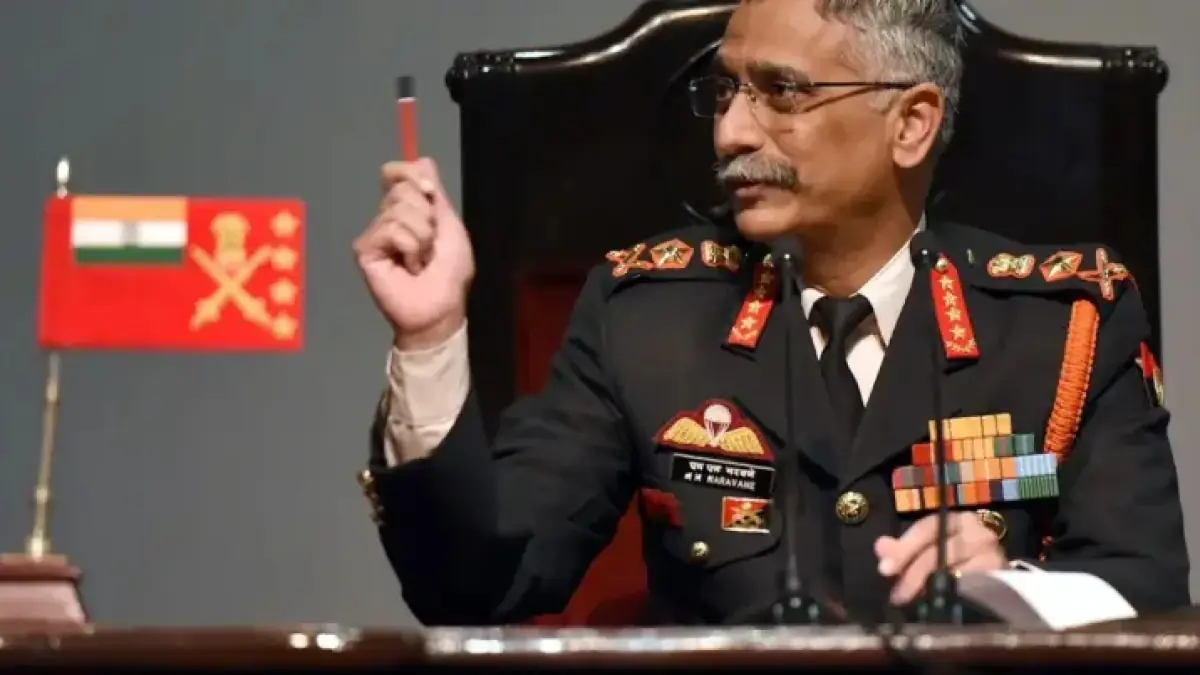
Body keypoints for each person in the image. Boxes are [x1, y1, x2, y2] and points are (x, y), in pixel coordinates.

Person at [352, 0, 1189, 625]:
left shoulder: (1065, 323)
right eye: (725, 91)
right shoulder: (645, 315)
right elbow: (478, 582)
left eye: (781, 93)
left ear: (911, 124)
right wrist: (429, 336)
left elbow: (1148, 594)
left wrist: (1011, 591)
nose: (730, 133)